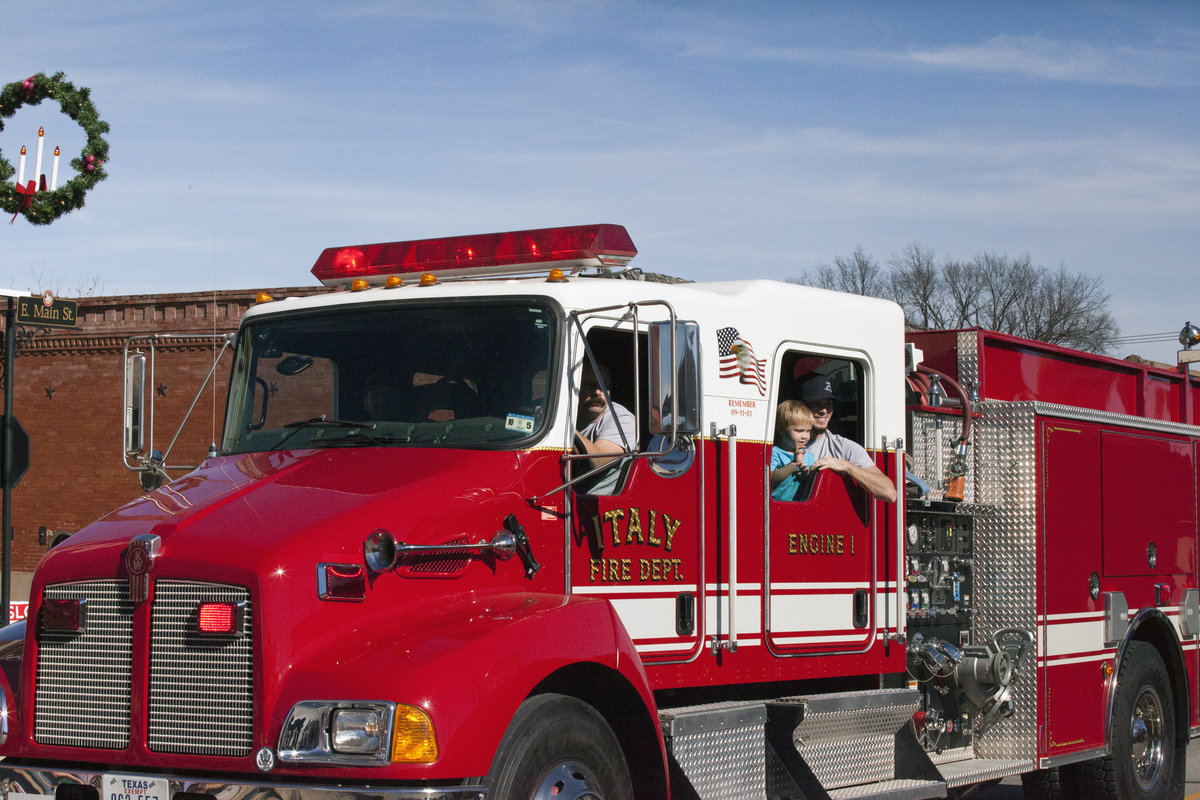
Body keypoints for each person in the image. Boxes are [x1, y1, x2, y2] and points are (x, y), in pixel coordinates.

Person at [798, 375, 897, 503]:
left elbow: (889, 493)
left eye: (828, 404)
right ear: (801, 407)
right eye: (816, 404)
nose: (824, 411)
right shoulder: (783, 444)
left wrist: (847, 466)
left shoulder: (845, 448)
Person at [574, 361, 637, 494]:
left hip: (603, 509)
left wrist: (562, 424)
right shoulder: (572, 416)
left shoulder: (623, 420)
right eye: (590, 385)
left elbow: (598, 461)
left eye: (604, 386)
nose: (598, 392)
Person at [771, 400, 817, 501]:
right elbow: (769, 478)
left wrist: (807, 474)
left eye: (808, 431)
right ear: (782, 430)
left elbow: (814, 484)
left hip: (800, 507)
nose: (805, 436)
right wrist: (794, 465)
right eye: (799, 431)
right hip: (777, 507)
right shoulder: (775, 453)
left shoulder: (809, 456)